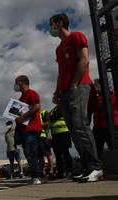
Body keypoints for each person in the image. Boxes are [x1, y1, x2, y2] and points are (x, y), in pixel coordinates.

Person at [50, 13, 102, 182]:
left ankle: (95, 167)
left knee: (81, 126)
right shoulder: (58, 48)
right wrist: (58, 91)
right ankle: (87, 167)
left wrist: (74, 84)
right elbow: (60, 73)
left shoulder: (76, 36)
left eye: (51, 24)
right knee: (74, 130)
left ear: (59, 23)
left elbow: (84, 60)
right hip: (65, 91)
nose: (50, 28)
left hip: (78, 87)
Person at [14, 75, 42, 185]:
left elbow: (37, 106)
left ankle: (36, 177)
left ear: (21, 82)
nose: (15, 85)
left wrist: (23, 117)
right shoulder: (21, 98)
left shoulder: (31, 93)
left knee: (31, 152)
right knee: (27, 152)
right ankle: (34, 176)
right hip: (24, 129)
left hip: (33, 128)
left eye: (16, 83)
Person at [90, 79, 118, 161]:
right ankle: (99, 167)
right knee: (96, 150)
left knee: (114, 148)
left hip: (113, 126)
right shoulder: (96, 98)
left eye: (96, 85)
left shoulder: (112, 95)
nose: (95, 87)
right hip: (98, 127)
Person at [49, 105, 73, 178]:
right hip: (55, 134)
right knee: (57, 155)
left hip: (64, 133)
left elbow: (54, 117)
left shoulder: (63, 107)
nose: (53, 97)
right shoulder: (54, 109)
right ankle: (60, 173)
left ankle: (71, 171)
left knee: (65, 153)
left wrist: (49, 116)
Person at [39, 110, 55, 179]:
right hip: (37, 137)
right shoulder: (32, 114)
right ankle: (43, 172)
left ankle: (51, 171)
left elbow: (48, 122)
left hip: (44, 136)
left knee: (48, 154)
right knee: (40, 155)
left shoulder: (44, 112)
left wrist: (41, 125)